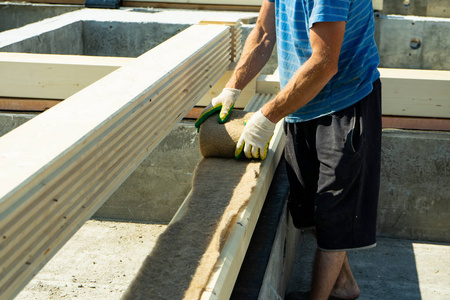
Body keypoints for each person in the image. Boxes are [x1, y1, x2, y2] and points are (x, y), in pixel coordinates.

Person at [195, 0, 382, 299]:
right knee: (310, 208)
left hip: (344, 100)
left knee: (334, 210)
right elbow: (263, 33)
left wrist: (266, 116)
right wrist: (232, 87)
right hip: (300, 100)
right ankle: (344, 285)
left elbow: (324, 63)